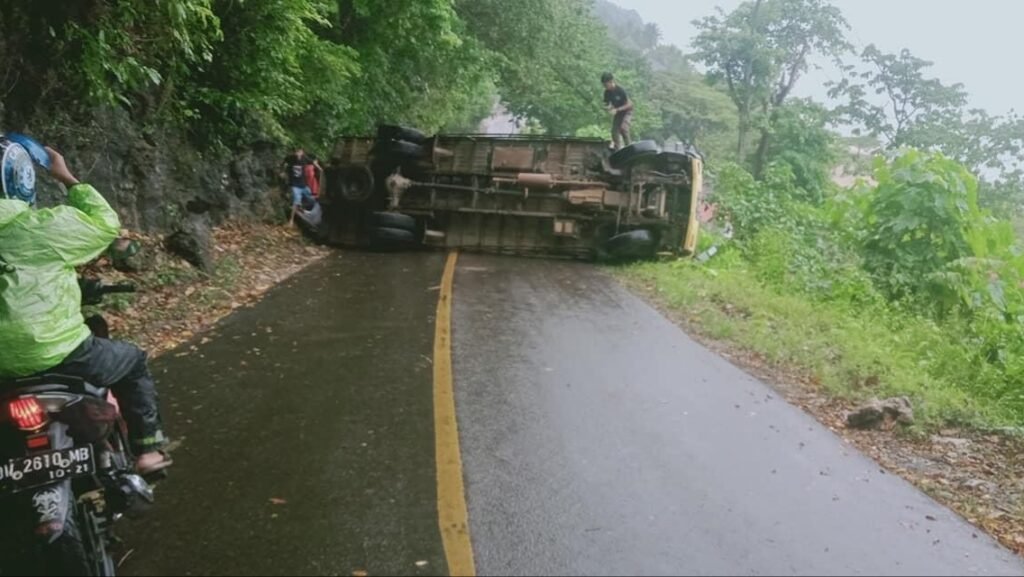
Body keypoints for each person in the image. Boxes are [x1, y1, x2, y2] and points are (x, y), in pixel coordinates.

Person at [0, 141, 171, 475]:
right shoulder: (42, 227)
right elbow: (105, 224)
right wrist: (67, 178)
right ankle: (148, 451)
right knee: (133, 362)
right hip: (59, 350)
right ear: (21, 180)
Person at [601, 72, 634, 150]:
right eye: (604, 85)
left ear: (611, 82)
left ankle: (629, 148)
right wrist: (608, 108)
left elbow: (629, 104)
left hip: (627, 111)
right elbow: (607, 104)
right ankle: (618, 149)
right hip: (618, 113)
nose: (605, 87)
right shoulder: (606, 92)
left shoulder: (620, 90)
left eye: (606, 85)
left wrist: (617, 109)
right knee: (614, 131)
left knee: (623, 128)